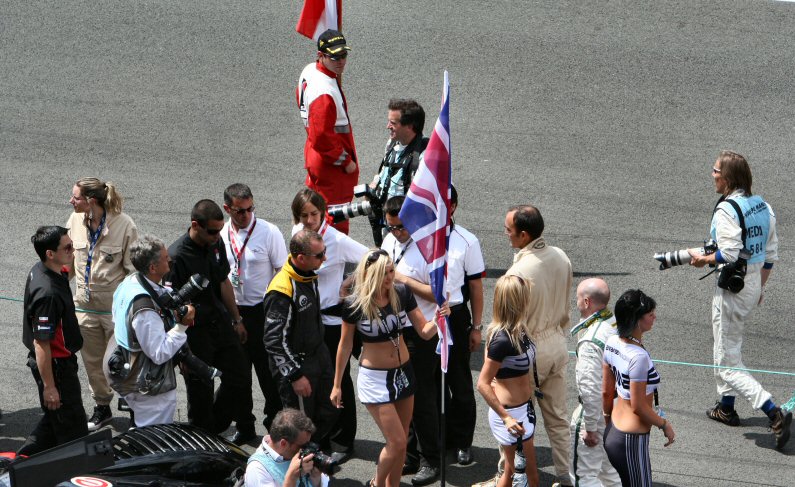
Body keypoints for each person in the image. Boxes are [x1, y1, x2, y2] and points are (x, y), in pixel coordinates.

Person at [687, 150, 790, 449]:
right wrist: (759, 288)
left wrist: (704, 260)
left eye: (715, 170)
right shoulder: (763, 206)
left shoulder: (727, 210)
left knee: (727, 363)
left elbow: (729, 253)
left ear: (728, 178)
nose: (712, 175)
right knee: (726, 343)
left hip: (734, 288)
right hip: (753, 283)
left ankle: (773, 412)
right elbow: (770, 253)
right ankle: (726, 407)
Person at [331, 249, 447, 487]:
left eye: (392, 271)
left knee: (401, 443)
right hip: (374, 379)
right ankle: (377, 483)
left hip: (403, 373)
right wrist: (336, 385)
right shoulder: (354, 304)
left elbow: (424, 332)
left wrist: (440, 318)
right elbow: (345, 345)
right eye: (384, 273)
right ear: (370, 274)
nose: (390, 277)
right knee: (396, 442)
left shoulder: (401, 293)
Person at [167, 199, 255, 441]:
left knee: (239, 377)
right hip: (195, 334)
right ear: (195, 225)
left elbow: (223, 281)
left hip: (221, 323)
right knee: (200, 391)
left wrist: (237, 319)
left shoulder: (216, 244)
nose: (218, 236)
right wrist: (182, 351)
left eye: (220, 230)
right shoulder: (176, 256)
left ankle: (214, 427)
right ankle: (202, 439)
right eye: (213, 231)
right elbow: (170, 307)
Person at [291, 188, 368, 461]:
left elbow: (374, 258)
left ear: (323, 213)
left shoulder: (336, 239)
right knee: (315, 380)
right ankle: (320, 437)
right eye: (304, 215)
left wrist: (350, 282)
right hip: (307, 321)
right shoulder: (297, 235)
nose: (310, 220)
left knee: (338, 379)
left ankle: (343, 441)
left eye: (314, 214)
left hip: (333, 322)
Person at [504, 205, 573, 487]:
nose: (506, 234)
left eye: (509, 230)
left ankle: (509, 475)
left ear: (523, 235)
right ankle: (565, 476)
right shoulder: (560, 255)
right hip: (558, 341)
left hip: (530, 349)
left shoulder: (518, 272)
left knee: (515, 416)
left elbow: (510, 323)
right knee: (558, 418)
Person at [67, 177, 138, 430]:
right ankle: (102, 407)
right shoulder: (74, 220)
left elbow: (133, 271)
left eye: (76, 197)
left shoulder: (124, 224)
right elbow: (68, 262)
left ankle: (135, 410)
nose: (71, 201)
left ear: (91, 200)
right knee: (93, 363)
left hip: (114, 312)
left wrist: (132, 308)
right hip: (84, 309)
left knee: (124, 363)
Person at [380, 196, 440, 486]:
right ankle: (410, 455)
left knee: (423, 398)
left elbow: (438, 294)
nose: (396, 232)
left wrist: (403, 280)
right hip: (395, 331)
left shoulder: (430, 249)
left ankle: (431, 459)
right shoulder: (389, 241)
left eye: (401, 227)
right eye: (391, 227)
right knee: (403, 397)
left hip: (421, 331)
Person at [105, 235, 195, 426]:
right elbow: (159, 353)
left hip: (123, 366)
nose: (169, 259)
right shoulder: (145, 309)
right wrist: (182, 325)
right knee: (153, 435)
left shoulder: (129, 282)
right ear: (153, 268)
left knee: (141, 428)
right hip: (146, 383)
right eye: (165, 257)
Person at [221, 183, 288, 432]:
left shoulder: (269, 232)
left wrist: (274, 305)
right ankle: (244, 424)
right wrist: (234, 317)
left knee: (269, 373)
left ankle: (274, 425)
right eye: (240, 211)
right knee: (239, 374)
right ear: (227, 209)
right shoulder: (222, 234)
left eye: (250, 209)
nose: (246, 215)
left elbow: (282, 270)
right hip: (234, 311)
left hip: (263, 311)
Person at [263, 229, 339, 447]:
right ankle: (300, 461)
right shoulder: (282, 289)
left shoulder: (308, 274)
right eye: (319, 255)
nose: (325, 258)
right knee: (301, 425)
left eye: (324, 252)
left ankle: (313, 452)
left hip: (319, 355)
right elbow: (273, 341)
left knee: (330, 409)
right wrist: (295, 375)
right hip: (298, 365)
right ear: (301, 258)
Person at [18, 226, 88, 456]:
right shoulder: (47, 293)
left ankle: (17, 463)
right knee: (72, 431)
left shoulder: (48, 269)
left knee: (54, 422)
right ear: (50, 253)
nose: (73, 251)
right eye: (67, 248)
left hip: (60, 365)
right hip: (57, 369)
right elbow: (41, 343)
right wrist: (50, 387)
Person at [602, 289, 675, 486]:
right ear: (636, 320)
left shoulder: (611, 342)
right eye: (650, 314)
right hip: (631, 440)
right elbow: (638, 406)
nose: (654, 317)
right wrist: (664, 425)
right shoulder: (638, 357)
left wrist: (607, 422)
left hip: (614, 431)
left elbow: (606, 392)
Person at [477, 275, 540, 487]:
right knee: (528, 477)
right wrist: (506, 418)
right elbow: (482, 383)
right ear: (516, 301)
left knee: (511, 474)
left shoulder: (519, 330)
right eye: (525, 296)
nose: (529, 299)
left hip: (524, 410)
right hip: (511, 416)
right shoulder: (502, 339)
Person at [296, 28, 358, 235]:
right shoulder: (324, 91)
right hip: (331, 166)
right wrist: (345, 161)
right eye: (334, 57)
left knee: (313, 211)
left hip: (315, 156)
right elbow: (322, 136)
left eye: (344, 55)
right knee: (334, 223)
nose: (341, 61)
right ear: (320, 55)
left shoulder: (309, 71)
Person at [444, 186, 485, 466]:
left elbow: (476, 287)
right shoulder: (417, 237)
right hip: (424, 315)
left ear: (453, 207)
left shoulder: (466, 241)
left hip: (455, 317)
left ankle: (462, 442)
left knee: (459, 382)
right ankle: (437, 437)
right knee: (429, 382)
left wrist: (477, 327)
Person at [567, 278, 620, 487]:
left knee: (584, 476)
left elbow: (589, 389)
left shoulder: (590, 340)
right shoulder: (614, 322)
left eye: (578, 298)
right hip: (616, 409)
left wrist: (589, 427)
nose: (576, 302)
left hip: (596, 414)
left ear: (587, 302)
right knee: (611, 472)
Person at [367, 99, 427, 245]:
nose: (388, 126)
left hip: (408, 230)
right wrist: (374, 186)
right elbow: (384, 173)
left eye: (393, 123)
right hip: (387, 224)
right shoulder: (392, 144)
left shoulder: (426, 155)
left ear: (410, 126)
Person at [245, 408, 328, 487]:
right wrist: (291, 477)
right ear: (283, 443)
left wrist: (316, 477)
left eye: (309, 444)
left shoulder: (294, 453)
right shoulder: (257, 470)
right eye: (303, 446)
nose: (308, 450)